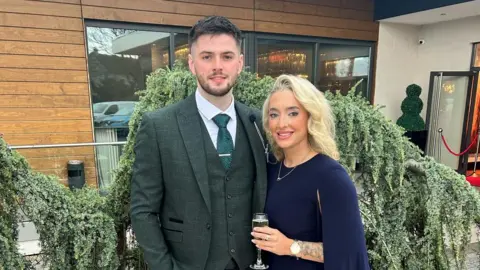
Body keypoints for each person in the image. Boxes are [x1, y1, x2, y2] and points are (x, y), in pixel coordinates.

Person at [130, 16, 267, 270]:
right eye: (207, 57)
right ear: (192, 64)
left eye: (227, 57)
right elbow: (142, 211)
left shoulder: (258, 123)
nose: (218, 66)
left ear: (240, 63)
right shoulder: (159, 127)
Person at [251, 74, 370, 269]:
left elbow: (349, 254)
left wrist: (291, 246)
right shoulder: (271, 168)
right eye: (274, 114)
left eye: (293, 113)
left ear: (310, 116)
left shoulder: (330, 177)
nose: (281, 124)